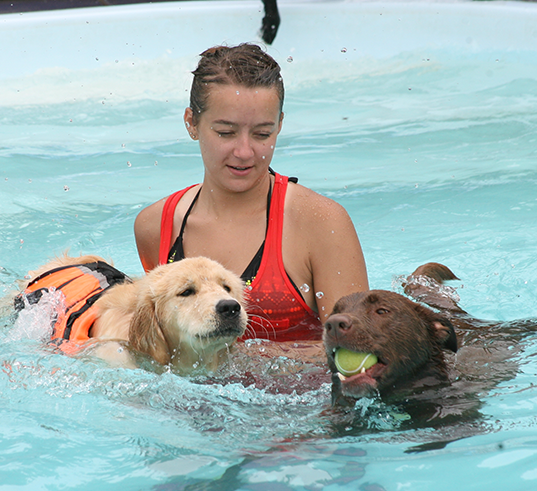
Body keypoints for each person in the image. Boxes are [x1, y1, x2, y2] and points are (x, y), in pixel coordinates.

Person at [134, 43, 368, 342]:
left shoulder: (320, 222)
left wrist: (244, 360)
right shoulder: (155, 227)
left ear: (280, 125)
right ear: (191, 123)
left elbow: (359, 351)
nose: (245, 152)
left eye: (262, 134)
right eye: (225, 132)